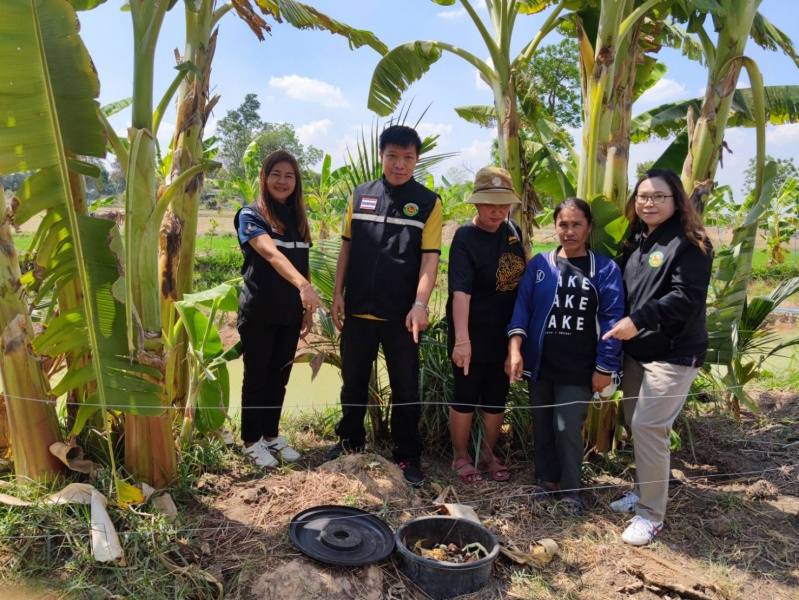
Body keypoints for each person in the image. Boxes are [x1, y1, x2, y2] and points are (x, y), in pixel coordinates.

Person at [324, 125, 443, 485]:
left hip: (402, 315)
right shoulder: (361, 194)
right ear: (382, 156)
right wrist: (338, 293)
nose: (399, 164)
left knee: (405, 388)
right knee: (353, 383)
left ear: (416, 160)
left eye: (408, 157)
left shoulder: (428, 202)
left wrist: (420, 304)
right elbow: (346, 246)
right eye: (392, 155)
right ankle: (349, 442)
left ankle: (407, 455)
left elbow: (430, 258)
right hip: (358, 309)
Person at [603, 168, 713, 545]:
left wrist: (638, 320)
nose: (648, 202)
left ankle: (651, 515)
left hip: (674, 353)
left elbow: (686, 298)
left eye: (658, 196)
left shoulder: (691, 242)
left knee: (649, 425)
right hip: (638, 351)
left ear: (676, 200)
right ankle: (644, 491)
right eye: (643, 196)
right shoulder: (636, 239)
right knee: (637, 423)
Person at [506, 198, 624, 514]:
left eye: (576, 225)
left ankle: (572, 490)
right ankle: (547, 481)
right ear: (555, 227)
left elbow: (612, 319)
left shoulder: (604, 269)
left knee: (567, 426)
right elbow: (523, 307)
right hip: (541, 363)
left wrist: (605, 367)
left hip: (580, 366)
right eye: (563, 225)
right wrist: (515, 349)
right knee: (543, 424)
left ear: (589, 227)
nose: (569, 231)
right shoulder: (540, 265)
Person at [234, 150, 327, 468]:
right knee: (257, 377)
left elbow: (303, 261)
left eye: (289, 176)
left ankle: (271, 437)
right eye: (276, 174)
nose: (282, 181)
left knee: (279, 377)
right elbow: (272, 254)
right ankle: (251, 442)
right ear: (265, 177)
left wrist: (307, 308)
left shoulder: (297, 219)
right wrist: (304, 287)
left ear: (296, 182)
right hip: (259, 311)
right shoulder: (251, 215)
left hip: (289, 314)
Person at [447, 167, 526, 484]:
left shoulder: (513, 230)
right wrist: (462, 340)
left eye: (503, 203)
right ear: (477, 202)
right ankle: (460, 455)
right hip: (471, 329)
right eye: (490, 203)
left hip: (505, 331)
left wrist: (518, 338)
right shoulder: (465, 237)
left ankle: (487, 455)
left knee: (497, 394)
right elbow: (460, 292)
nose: (497, 210)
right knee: (466, 393)